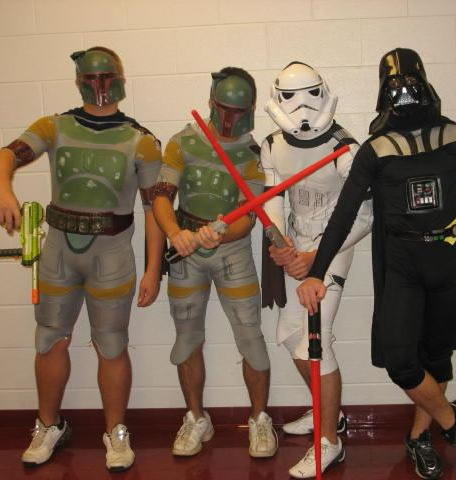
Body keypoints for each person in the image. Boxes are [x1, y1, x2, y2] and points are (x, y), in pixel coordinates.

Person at [297, 48, 456, 479]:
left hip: (448, 257)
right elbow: (344, 215)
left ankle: (419, 438)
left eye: (410, 83)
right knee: (400, 359)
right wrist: (316, 272)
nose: (403, 92)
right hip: (401, 261)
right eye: (393, 85)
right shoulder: (376, 150)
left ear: (424, 82)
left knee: (437, 355)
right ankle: (454, 422)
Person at [0, 46, 164, 471]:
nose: (100, 85)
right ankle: (47, 425)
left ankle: (116, 431)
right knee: (50, 338)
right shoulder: (54, 127)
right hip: (59, 249)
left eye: (107, 76)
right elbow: (6, 154)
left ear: (120, 79)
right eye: (92, 77)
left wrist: (154, 268)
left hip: (112, 251)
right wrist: (1, 187)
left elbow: (155, 209)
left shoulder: (142, 141)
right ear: (79, 81)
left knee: (111, 344)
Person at [152, 67, 277, 458]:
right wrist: (175, 232)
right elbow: (161, 195)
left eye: (239, 111)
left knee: (250, 337)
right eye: (224, 108)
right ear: (211, 101)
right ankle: (196, 418)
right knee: (187, 338)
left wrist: (220, 233)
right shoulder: (183, 142)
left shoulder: (255, 155)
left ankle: (259, 419)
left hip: (231, 252)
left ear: (250, 109)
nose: (230, 118)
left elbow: (248, 215)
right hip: (185, 251)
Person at [261, 62, 373, 478]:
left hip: (333, 246)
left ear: (323, 93)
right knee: (290, 334)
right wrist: (280, 243)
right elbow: (273, 197)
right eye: (292, 97)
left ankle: (329, 442)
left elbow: (365, 214)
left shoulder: (344, 148)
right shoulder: (272, 144)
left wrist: (317, 258)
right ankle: (329, 412)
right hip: (298, 244)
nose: (303, 107)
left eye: (311, 94)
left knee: (315, 341)